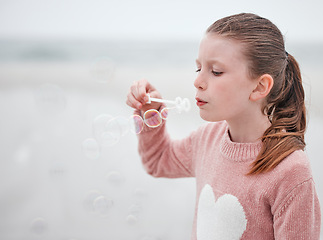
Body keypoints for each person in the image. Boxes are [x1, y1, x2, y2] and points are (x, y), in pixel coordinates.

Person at [126, 13, 321, 239]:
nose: (197, 81)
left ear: (259, 87)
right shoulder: (207, 139)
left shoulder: (290, 171)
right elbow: (157, 160)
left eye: (216, 71)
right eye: (198, 68)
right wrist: (150, 112)